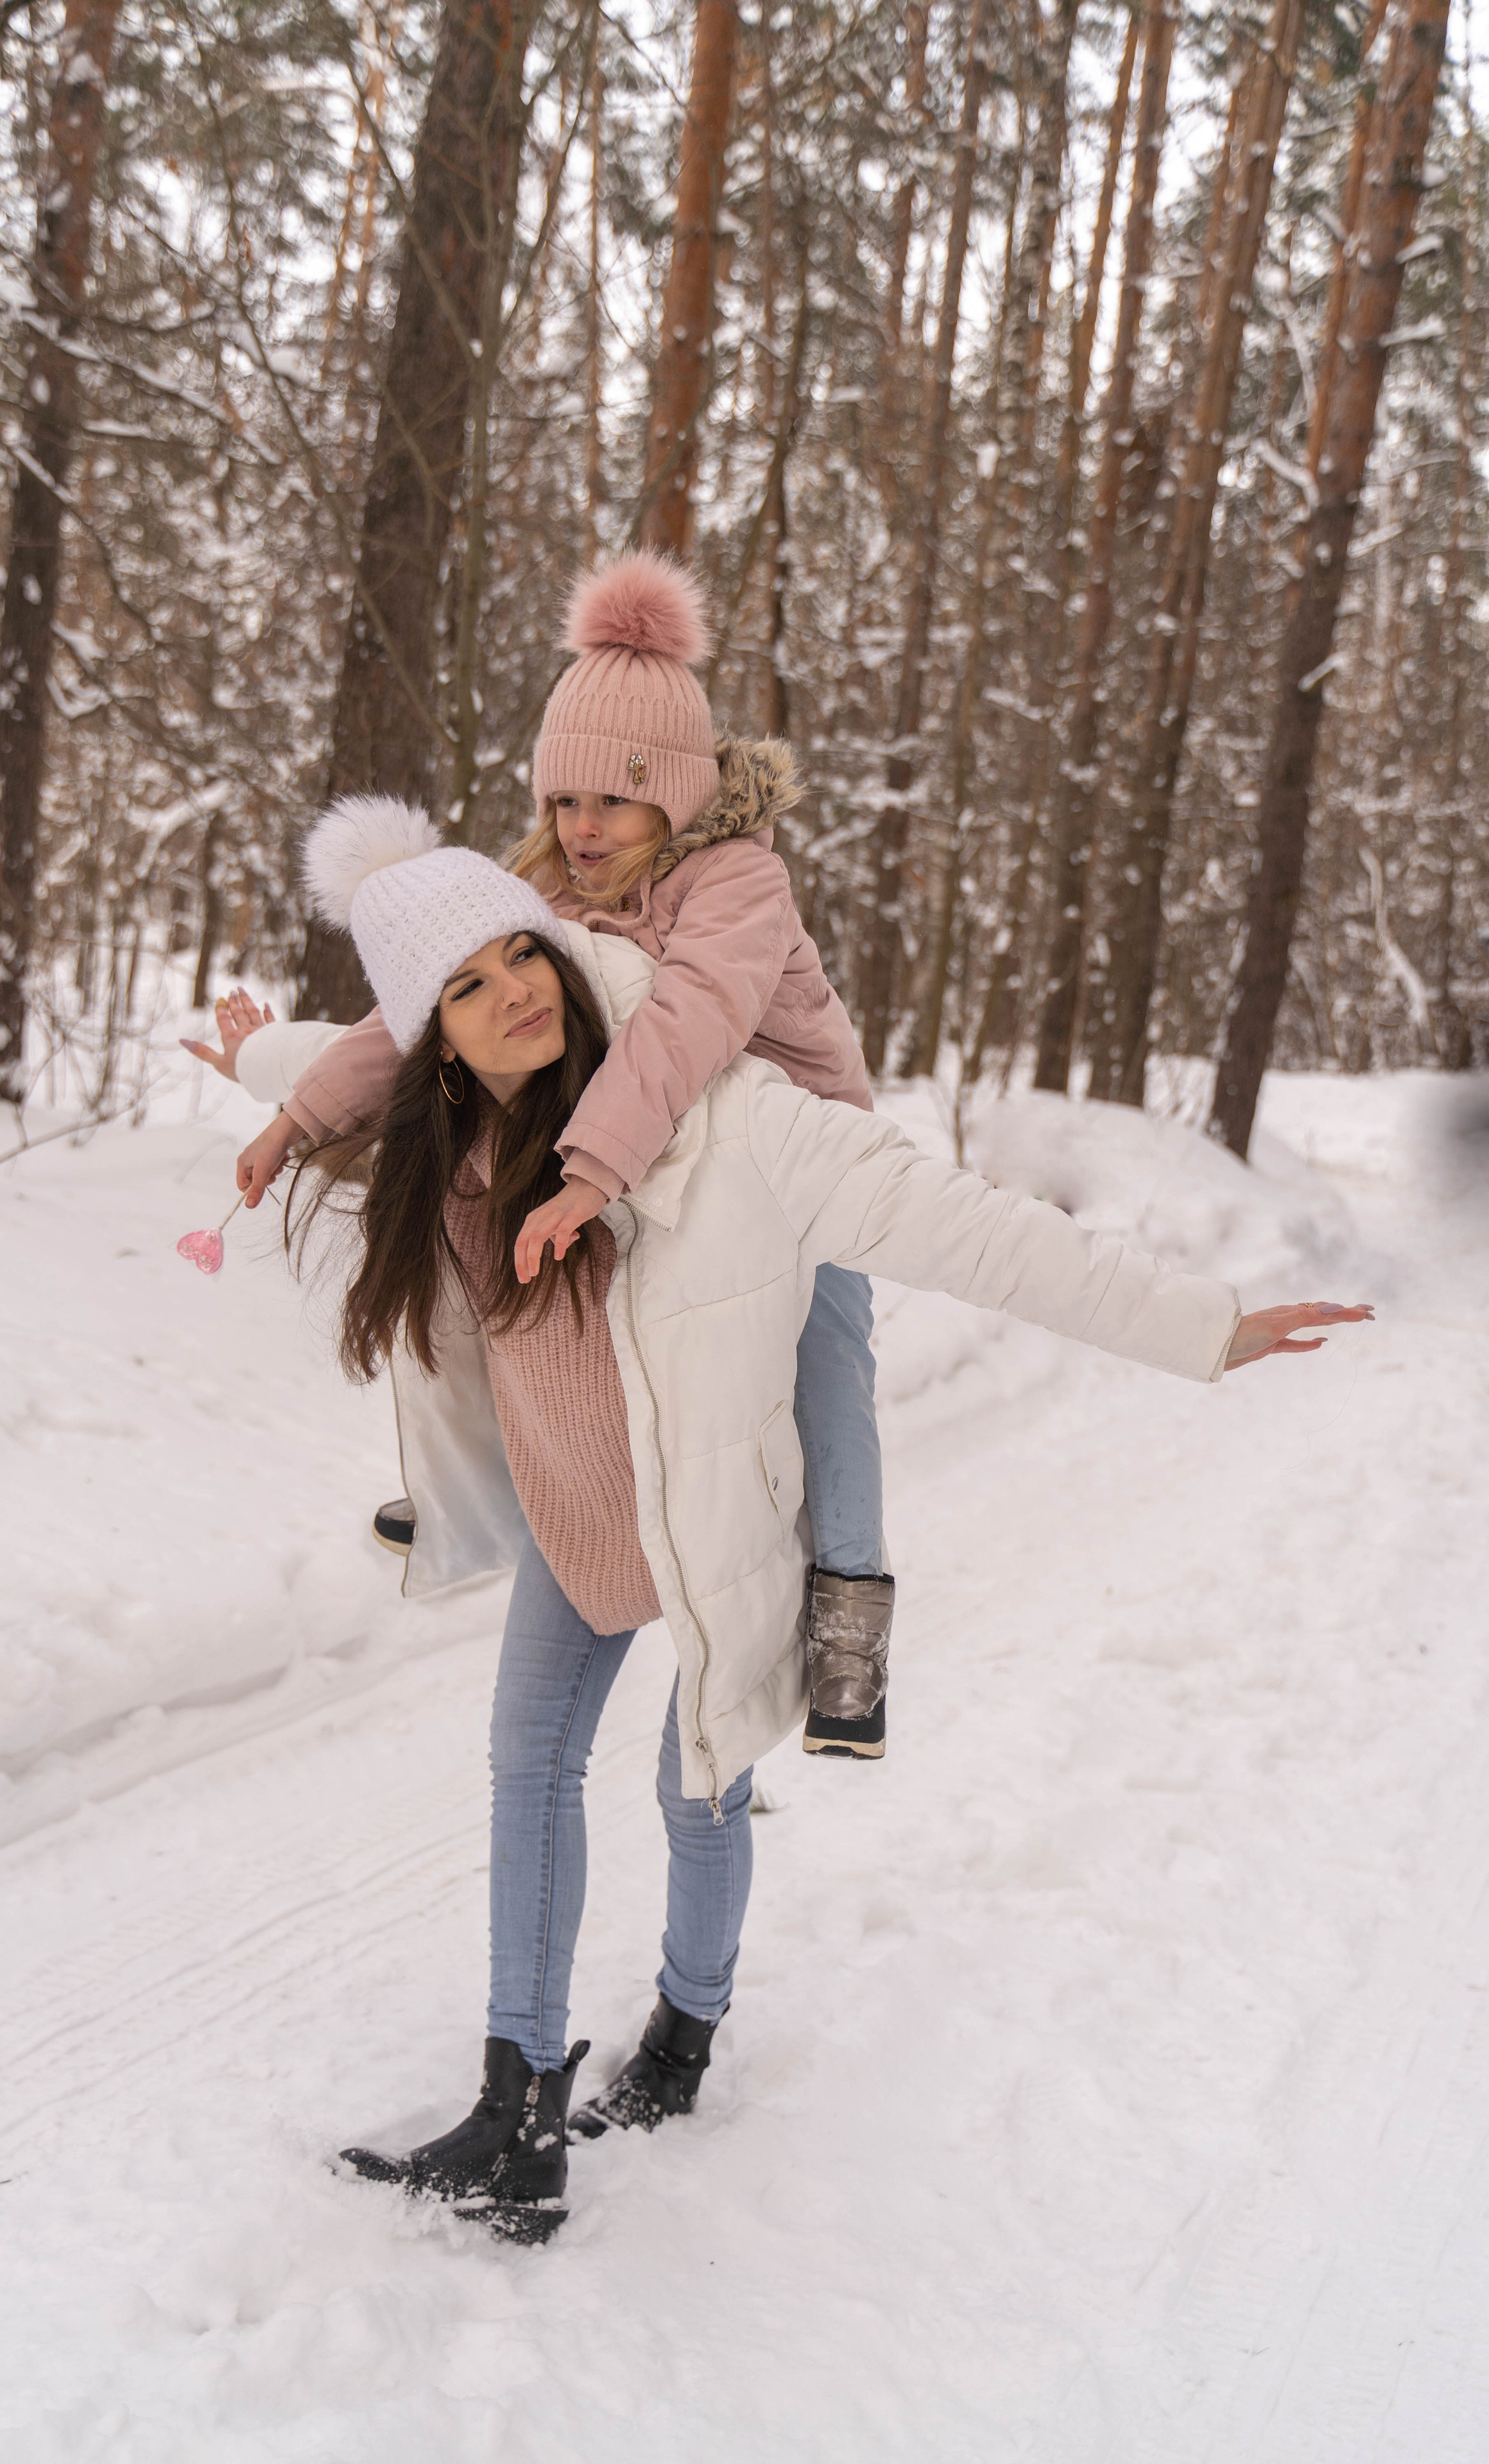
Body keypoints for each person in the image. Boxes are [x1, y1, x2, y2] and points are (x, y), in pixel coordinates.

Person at [221, 797, 1370, 2244]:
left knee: (690, 1785)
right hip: (578, 1526)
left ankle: (683, 2039)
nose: (510, 991)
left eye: (522, 954)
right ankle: (515, 2114)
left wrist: (1202, 1326)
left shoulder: (728, 1123)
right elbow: (342, 1058)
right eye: (465, 985)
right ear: (429, 1032)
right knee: (525, 1769)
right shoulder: (446, 1143)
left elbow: (970, 1229)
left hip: (712, 1528)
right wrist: (258, 1066)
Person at [234, 552, 895, 1763]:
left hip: (794, 1174)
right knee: (492, 1268)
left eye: (614, 804)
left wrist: (591, 1166)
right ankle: (466, 1495)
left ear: (677, 799)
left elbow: (691, 1022)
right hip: (647, 1160)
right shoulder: (544, 881)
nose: (582, 831)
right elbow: (421, 1011)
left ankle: (850, 1602)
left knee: (828, 1349)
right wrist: (303, 1115)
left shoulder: (737, 880)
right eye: (564, 802)